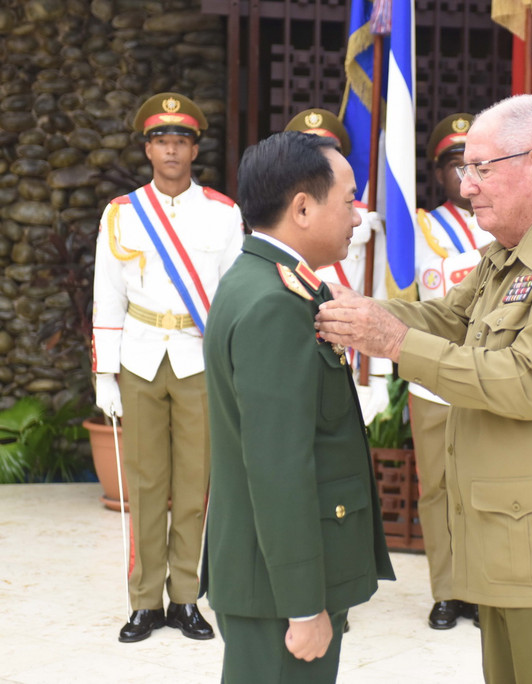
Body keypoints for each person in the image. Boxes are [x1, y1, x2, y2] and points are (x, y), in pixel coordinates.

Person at [315, 94, 532, 684]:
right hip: (521, 550)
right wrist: (364, 314)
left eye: (481, 168)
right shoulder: (515, 251)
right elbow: (449, 319)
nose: (465, 184)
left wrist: (393, 342)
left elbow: (527, 381)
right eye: (464, 168)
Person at [201, 131, 395, 684]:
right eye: (350, 199)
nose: (358, 217)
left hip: (273, 578)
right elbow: (279, 466)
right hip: (279, 589)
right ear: (303, 208)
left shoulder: (271, 283)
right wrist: (304, 604)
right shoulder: (274, 304)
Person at [91, 92, 244, 642]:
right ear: (148, 149)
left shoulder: (224, 214)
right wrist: (105, 373)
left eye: (181, 141)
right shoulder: (122, 214)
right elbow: (106, 295)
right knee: (146, 484)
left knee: (196, 484)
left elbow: (236, 297)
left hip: (198, 360)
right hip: (139, 357)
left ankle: (185, 598)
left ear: (195, 148)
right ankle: (144, 601)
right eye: (162, 141)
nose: (172, 150)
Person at [413, 113, 492, 630]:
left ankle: (482, 589)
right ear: (439, 173)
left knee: (483, 484)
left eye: (473, 165)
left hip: (487, 371)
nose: (463, 174)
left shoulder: (506, 223)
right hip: (431, 373)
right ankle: (446, 589)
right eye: (453, 165)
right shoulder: (416, 226)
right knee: (437, 486)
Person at [284, 108, 391, 426]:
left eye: (327, 154)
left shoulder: (366, 219)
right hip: (292, 359)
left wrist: (379, 373)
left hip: (350, 362)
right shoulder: (274, 214)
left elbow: (377, 296)